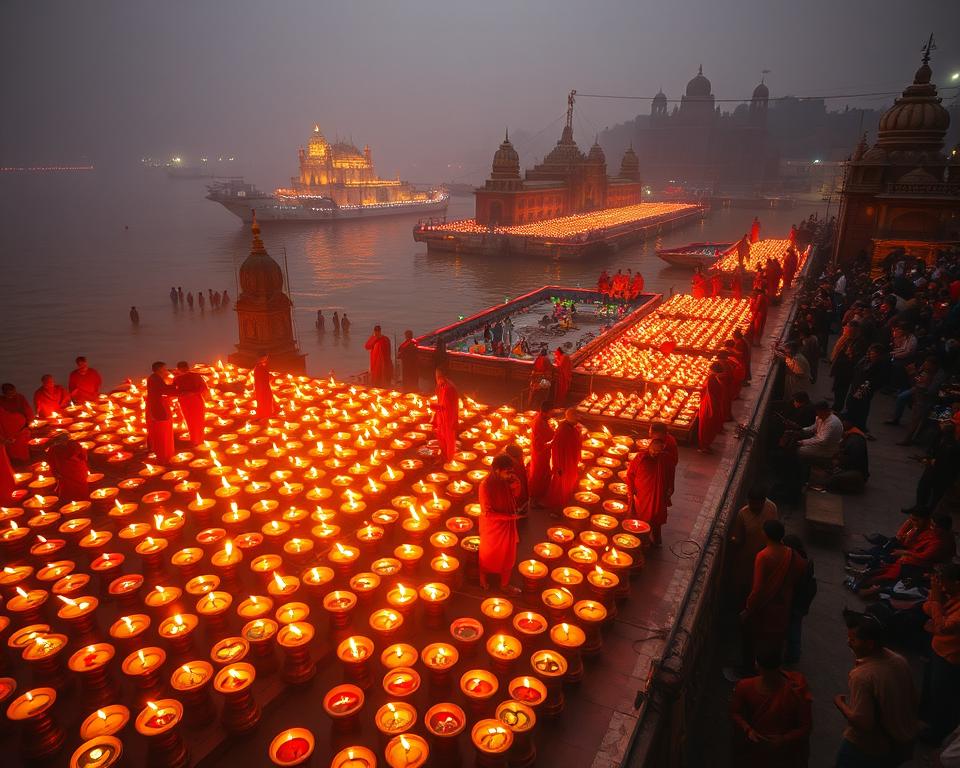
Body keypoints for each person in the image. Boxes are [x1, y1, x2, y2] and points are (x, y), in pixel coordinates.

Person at [834, 612, 919, 767]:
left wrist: (840, 704)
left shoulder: (862, 676)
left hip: (867, 748)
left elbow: (863, 723)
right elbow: (912, 700)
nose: (848, 642)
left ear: (870, 644)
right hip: (897, 744)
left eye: (853, 639)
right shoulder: (899, 661)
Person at [741, 520, 807, 666]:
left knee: (756, 638)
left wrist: (748, 608)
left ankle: (753, 668)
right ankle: (771, 667)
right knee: (775, 641)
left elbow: (757, 589)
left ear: (765, 534)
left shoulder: (764, 556)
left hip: (765, 606)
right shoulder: (791, 554)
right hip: (783, 604)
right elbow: (802, 568)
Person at [730, 650, 812, 768]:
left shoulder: (745, 686)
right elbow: (806, 726)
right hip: (784, 754)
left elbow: (735, 713)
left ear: (757, 666)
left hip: (757, 750)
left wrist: (748, 730)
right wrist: (783, 739)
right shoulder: (796, 687)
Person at [920, 562, 960, 743]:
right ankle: (924, 716)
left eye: (945, 583)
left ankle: (936, 734)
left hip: (950, 658)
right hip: (937, 649)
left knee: (942, 696)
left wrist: (936, 601)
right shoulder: (949, 594)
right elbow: (927, 609)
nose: (942, 587)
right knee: (929, 688)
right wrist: (936, 600)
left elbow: (943, 627)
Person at [478, 454, 522, 594]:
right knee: (488, 554)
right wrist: (508, 517)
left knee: (508, 554)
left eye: (511, 471)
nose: (510, 474)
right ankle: (483, 577)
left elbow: (515, 497)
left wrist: (516, 486)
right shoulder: (485, 485)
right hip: (492, 527)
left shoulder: (506, 481)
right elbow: (487, 513)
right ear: (497, 470)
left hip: (507, 525)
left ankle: (504, 585)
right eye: (507, 471)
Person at [729, 489, 779, 607]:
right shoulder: (743, 514)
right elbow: (738, 538)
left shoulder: (771, 508)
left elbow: (775, 530)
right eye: (752, 504)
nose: (754, 507)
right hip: (748, 557)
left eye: (757, 504)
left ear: (764, 502)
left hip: (767, 556)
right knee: (745, 584)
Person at [626, 437, 671, 546]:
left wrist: (669, 490)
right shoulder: (640, 458)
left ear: (662, 450)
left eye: (658, 451)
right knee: (641, 516)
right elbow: (630, 474)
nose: (654, 453)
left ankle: (655, 539)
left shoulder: (664, 460)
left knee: (656, 517)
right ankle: (642, 540)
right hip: (642, 495)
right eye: (653, 450)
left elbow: (670, 476)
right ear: (649, 448)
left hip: (658, 494)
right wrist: (631, 491)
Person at [782, 535, 816, 664]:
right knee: (795, 625)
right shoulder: (804, 560)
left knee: (793, 627)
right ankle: (793, 652)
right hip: (802, 600)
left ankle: (793, 655)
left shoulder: (799, 563)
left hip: (798, 601)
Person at [545, 408, 582, 509]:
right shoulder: (563, 431)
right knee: (560, 487)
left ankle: (564, 503)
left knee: (568, 484)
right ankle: (556, 508)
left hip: (570, 462)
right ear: (572, 418)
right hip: (563, 464)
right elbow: (556, 450)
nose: (578, 420)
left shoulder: (571, 428)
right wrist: (558, 467)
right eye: (576, 418)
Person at [824, 419, 870, 494]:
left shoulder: (855, 440)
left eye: (843, 422)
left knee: (831, 479)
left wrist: (838, 461)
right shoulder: (849, 435)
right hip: (850, 468)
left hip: (856, 473)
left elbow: (853, 461)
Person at [146, 361, 177, 463]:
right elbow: (164, 390)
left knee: (162, 430)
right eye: (164, 369)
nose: (166, 371)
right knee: (162, 430)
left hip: (157, 405)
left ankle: (164, 454)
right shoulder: (155, 379)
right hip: (158, 407)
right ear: (159, 369)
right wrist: (177, 386)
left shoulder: (154, 378)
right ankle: (164, 456)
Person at [173, 361, 208, 447]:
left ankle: (195, 441)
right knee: (198, 421)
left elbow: (174, 391)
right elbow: (204, 388)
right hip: (195, 400)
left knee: (191, 421)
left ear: (178, 369)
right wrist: (193, 392)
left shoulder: (177, 379)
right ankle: (199, 440)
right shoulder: (195, 376)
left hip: (187, 401)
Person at [46, 432, 89, 501]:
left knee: (69, 491)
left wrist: (56, 474)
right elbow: (83, 457)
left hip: (65, 474)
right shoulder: (74, 445)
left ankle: (71, 502)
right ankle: (84, 501)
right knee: (81, 489)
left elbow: (52, 464)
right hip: (78, 472)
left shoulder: (53, 450)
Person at [528, 400, 555, 506]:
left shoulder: (540, 418)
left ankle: (539, 497)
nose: (551, 415)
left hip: (541, 451)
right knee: (538, 475)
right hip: (540, 453)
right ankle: (534, 500)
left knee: (541, 473)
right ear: (545, 412)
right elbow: (550, 436)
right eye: (550, 413)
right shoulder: (539, 423)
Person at [0, 383, 34, 463]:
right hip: (7, 431)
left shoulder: (19, 398)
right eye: (9, 393)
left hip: (22, 428)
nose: (12, 394)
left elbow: (27, 410)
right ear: (4, 393)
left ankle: (25, 461)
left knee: (22, 447)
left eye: (13, 392)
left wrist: (29, 422)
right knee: (12, 448)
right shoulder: (1, 401)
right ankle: (15, 462)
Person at [698, 362, 726, 453]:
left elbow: (709, 392)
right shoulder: (712, 379)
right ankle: (704, 446)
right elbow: (710, 392)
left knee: (707, 426)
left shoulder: (712, 378)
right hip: (710, 405)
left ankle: (705, 445)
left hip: (710, 406)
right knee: (706, 427)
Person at [432, 368, 459, 461]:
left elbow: (446, 407)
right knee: (441, 436)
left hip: (448, 419)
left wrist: (433, 406)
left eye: (437, 377)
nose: (436, 379)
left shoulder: (448, 389)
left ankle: (449, 461)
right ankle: (444, 456)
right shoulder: (442, 386)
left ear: (441, 377)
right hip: (442, 417)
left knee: (449, 440)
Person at [649, 422, 678, 507]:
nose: (649, 432)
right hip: (667, 470)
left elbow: (657, 458)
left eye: (651, 430)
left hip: (662, 472)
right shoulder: (667, 438)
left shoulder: (665, 444)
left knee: (658, 493)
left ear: (659, 433)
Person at [253, 355, 274, 420]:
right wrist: (270, 377)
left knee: (267, 399)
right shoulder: (259, 367)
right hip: (262, 387)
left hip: (264, 387)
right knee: (264, 400)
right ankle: (264, 415)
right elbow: (262, 377)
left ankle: (267, 414)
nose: (266, 359)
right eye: (265, 358)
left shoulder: (261, 366)